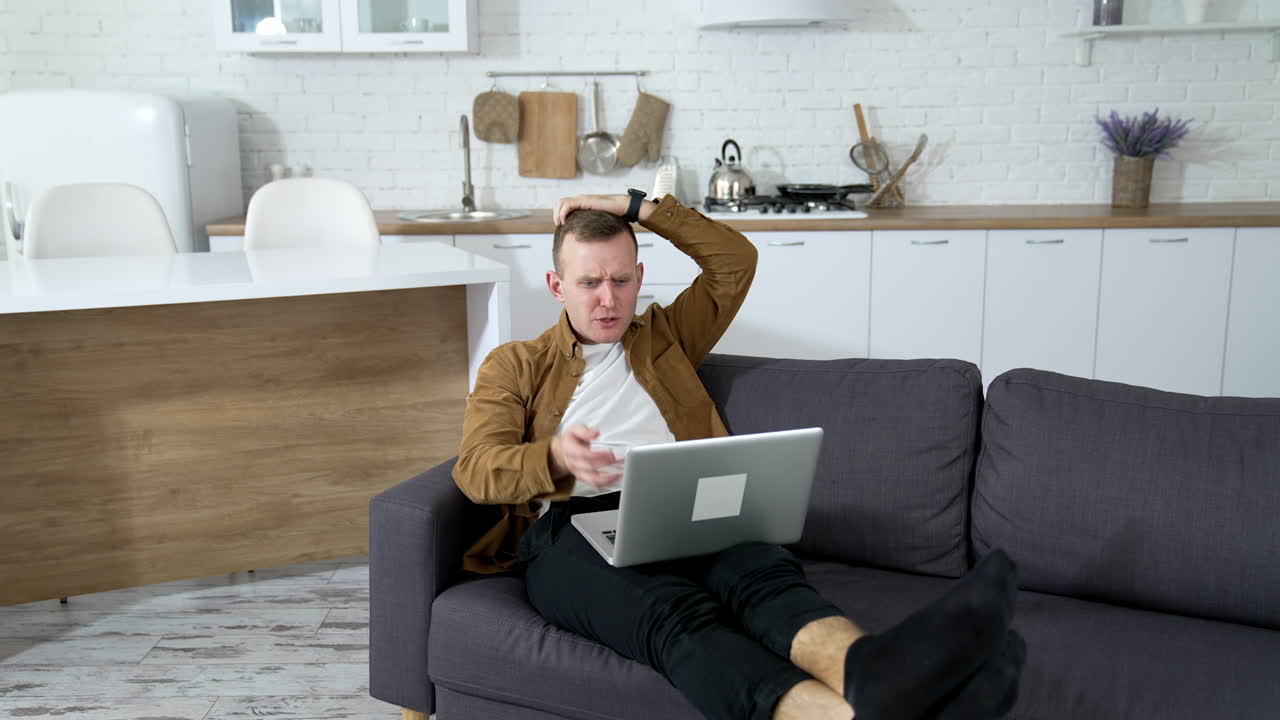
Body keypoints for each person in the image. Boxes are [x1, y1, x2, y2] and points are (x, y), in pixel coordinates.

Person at [453, 191, 1026, 720]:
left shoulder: (666, 336)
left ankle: (874, 672)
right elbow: (476, 469)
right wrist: (555, 459)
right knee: (676, 620)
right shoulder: (516, 364)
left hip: (686, 503)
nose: (609, 299)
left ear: (639, 277)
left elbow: (735, 260)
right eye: (589, 283)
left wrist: (632, 205)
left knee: (767, 582)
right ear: (556, 286)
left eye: (621, 280)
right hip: (572, 529)